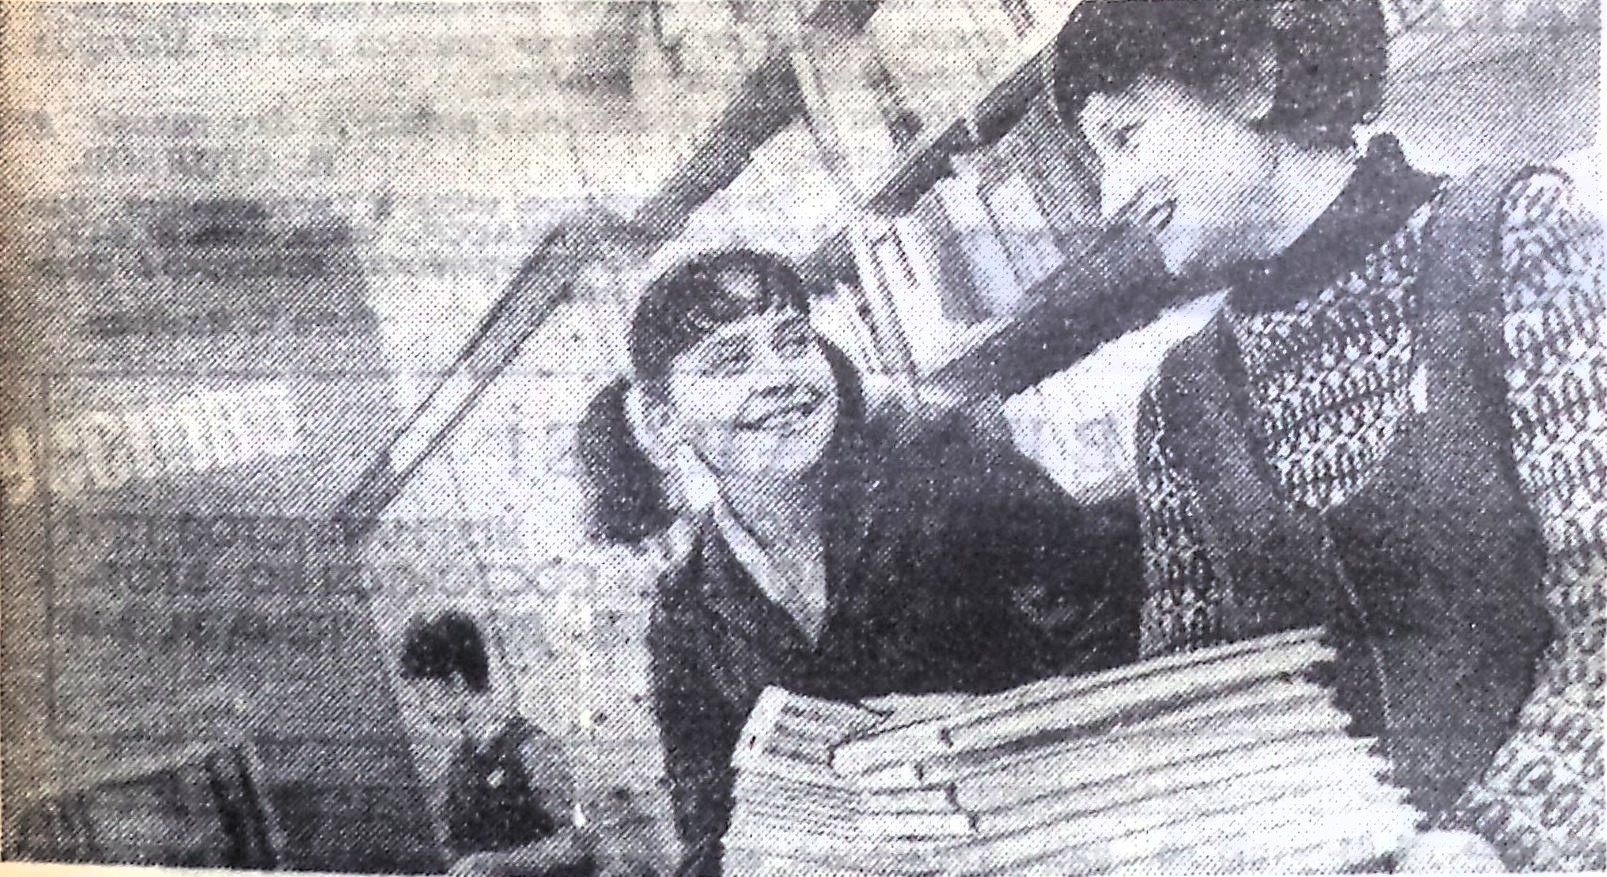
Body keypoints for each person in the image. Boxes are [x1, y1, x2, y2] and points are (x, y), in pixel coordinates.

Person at [1049, 1, 1603, 871]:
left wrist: (1496, 838)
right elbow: (1196, 737)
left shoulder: (1514, 240)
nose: (1111, 199)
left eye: (1125, 137)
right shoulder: (1176, 404)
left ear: (1250, 78)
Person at [576, 248, 1143, 876]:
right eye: (731, 361)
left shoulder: (945, 471)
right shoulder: (686, 611)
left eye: (793, 342)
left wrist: (975, 727)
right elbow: (714, 836)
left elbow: (1123, 630)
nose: (778, 377)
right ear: (664, 427)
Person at [398, 611, 653, 877]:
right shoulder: (459, 765)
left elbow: (574, 844)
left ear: (456, 682)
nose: (422, 707)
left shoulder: (532, 748)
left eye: (425, 694)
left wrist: (497, 864)